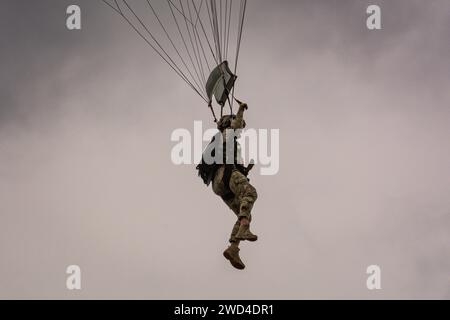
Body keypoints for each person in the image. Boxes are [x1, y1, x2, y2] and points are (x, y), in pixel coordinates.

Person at [197, 99, 258, 270]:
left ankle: (233, 248)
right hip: (226, 174)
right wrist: (241, 109)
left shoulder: (224, 142)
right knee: (251, 194)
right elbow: (237, 124)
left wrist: (245, 170)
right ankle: (244, 227)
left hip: (219, 186)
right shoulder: (227, 134)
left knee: (244, 213)